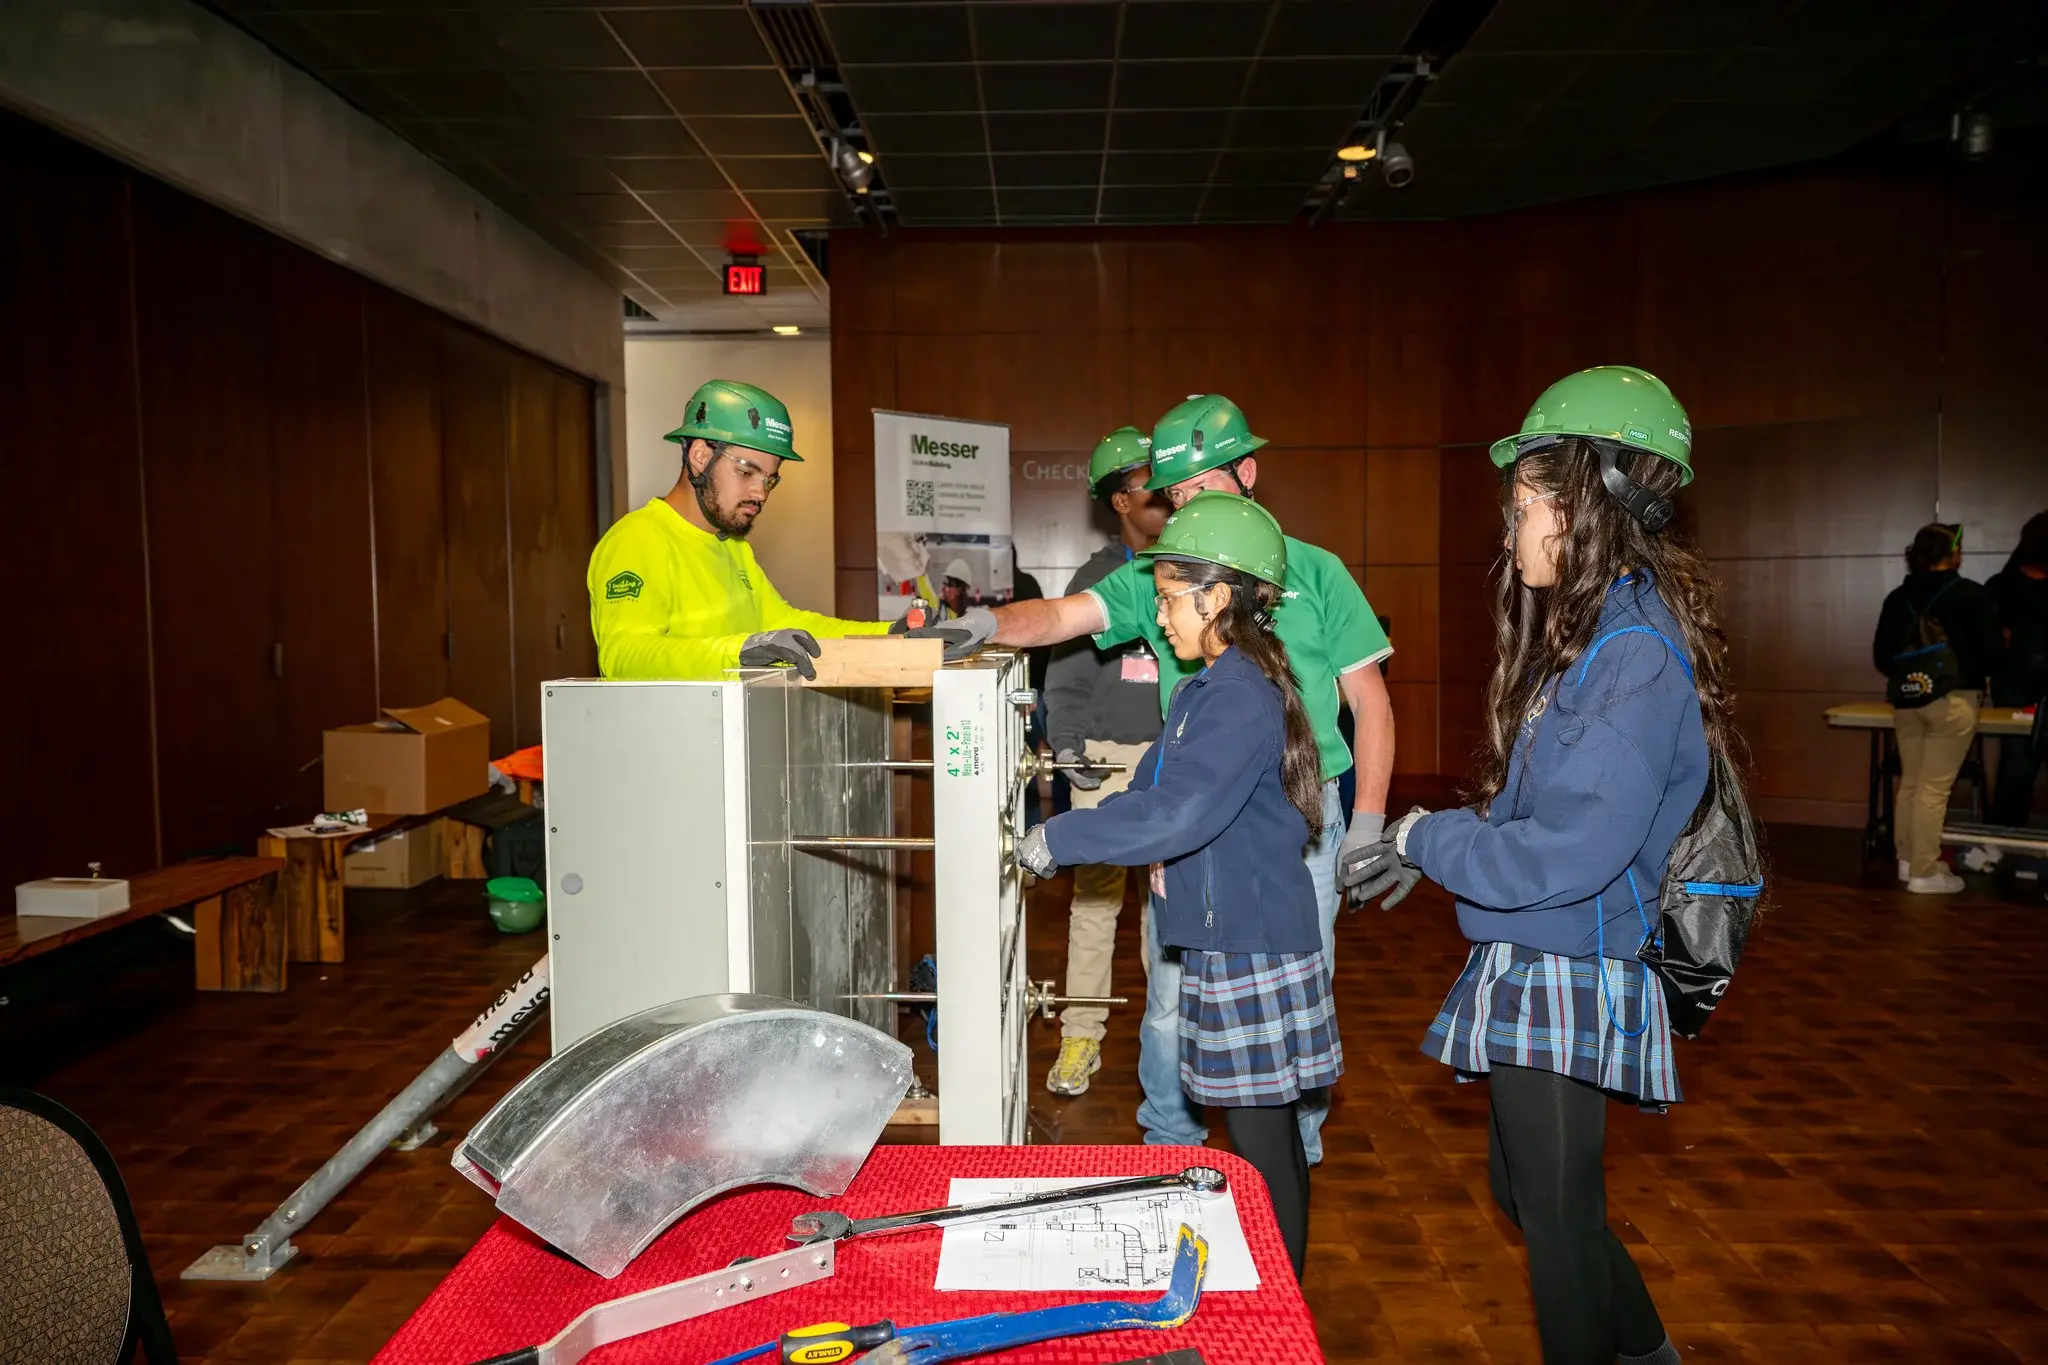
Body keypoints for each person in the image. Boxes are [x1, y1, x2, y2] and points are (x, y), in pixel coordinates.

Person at [1343, 366, 1724, 1365]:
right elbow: (1540, 809)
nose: (1507, 535)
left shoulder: (1632, 653)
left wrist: (1423, 837)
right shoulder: (1594, 636)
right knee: (1527, 1197)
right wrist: (1431, 849)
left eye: (1520, 509)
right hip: (1541, 951)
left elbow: (1571, 850)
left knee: (1554, 1223)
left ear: (1583, 504)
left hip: (1573, 963)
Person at [972, 394, 1394, 1165]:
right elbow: (1062, 617)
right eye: (1177, 497)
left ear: (1249, 474)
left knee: (1299, 997)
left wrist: (1366, 823)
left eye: (1202, 489)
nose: (1186, 511)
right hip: (1196, 822)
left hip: (1302, 817)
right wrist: (978, 625)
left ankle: (1287, 1158)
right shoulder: (1162, 577)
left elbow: (1370, 699)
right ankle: (1172, 1148)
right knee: (1172, 999)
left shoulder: (1319, 572)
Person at [1016, 493, 1338, 1280]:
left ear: (1217, 596)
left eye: (1167, 598)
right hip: (1229, 934)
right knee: (1264, 1134)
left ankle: (1282, 1297)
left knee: (1263, 1144)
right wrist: (1077, 821)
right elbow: (1149, 791)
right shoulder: (1204, 688)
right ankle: (1280, 1286)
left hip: (1253, 941)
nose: (1158, 617)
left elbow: (1180, 813)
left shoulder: (1240, 694)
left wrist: (1058, 837)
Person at [587, 379, 890, 679]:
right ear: (700, 457)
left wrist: (891, 635)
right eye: (746, 472)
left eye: (770, 479)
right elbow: (624, 655)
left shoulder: (732, 546)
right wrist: (739, 651)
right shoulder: (638, 539)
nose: (761, 493)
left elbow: (787, 624)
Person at [1041, 427, 1172, 1096]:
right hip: (1104, 763)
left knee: (1169, 914)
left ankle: (1166, 1046)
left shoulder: (1193, 566)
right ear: (1121, 501)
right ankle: (1079, 1040)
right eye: (1153, 483)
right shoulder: (1096, 579)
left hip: (1173, 765)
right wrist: (1067, 750)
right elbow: (1061, 680)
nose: (1169, 494)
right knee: (1094, 909)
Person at [1871, 522, 2002, 892]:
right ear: (1954, 554)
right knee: (1934, 788)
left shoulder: (1898, 598)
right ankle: (1925, 872)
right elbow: (1993, 654)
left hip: (1908, 700)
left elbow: (1883, 657)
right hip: (1954, 701)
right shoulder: (1972, 596)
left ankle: (1907, 860)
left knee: (1910, 783)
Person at [1986, 512, 2048, 829]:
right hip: (2015, 683)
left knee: (2017, 762)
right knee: (2018, 763)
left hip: (2017, 681)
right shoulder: (2002, 587)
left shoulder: (2002, 584)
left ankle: (2006, 840)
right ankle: (2005, 838)